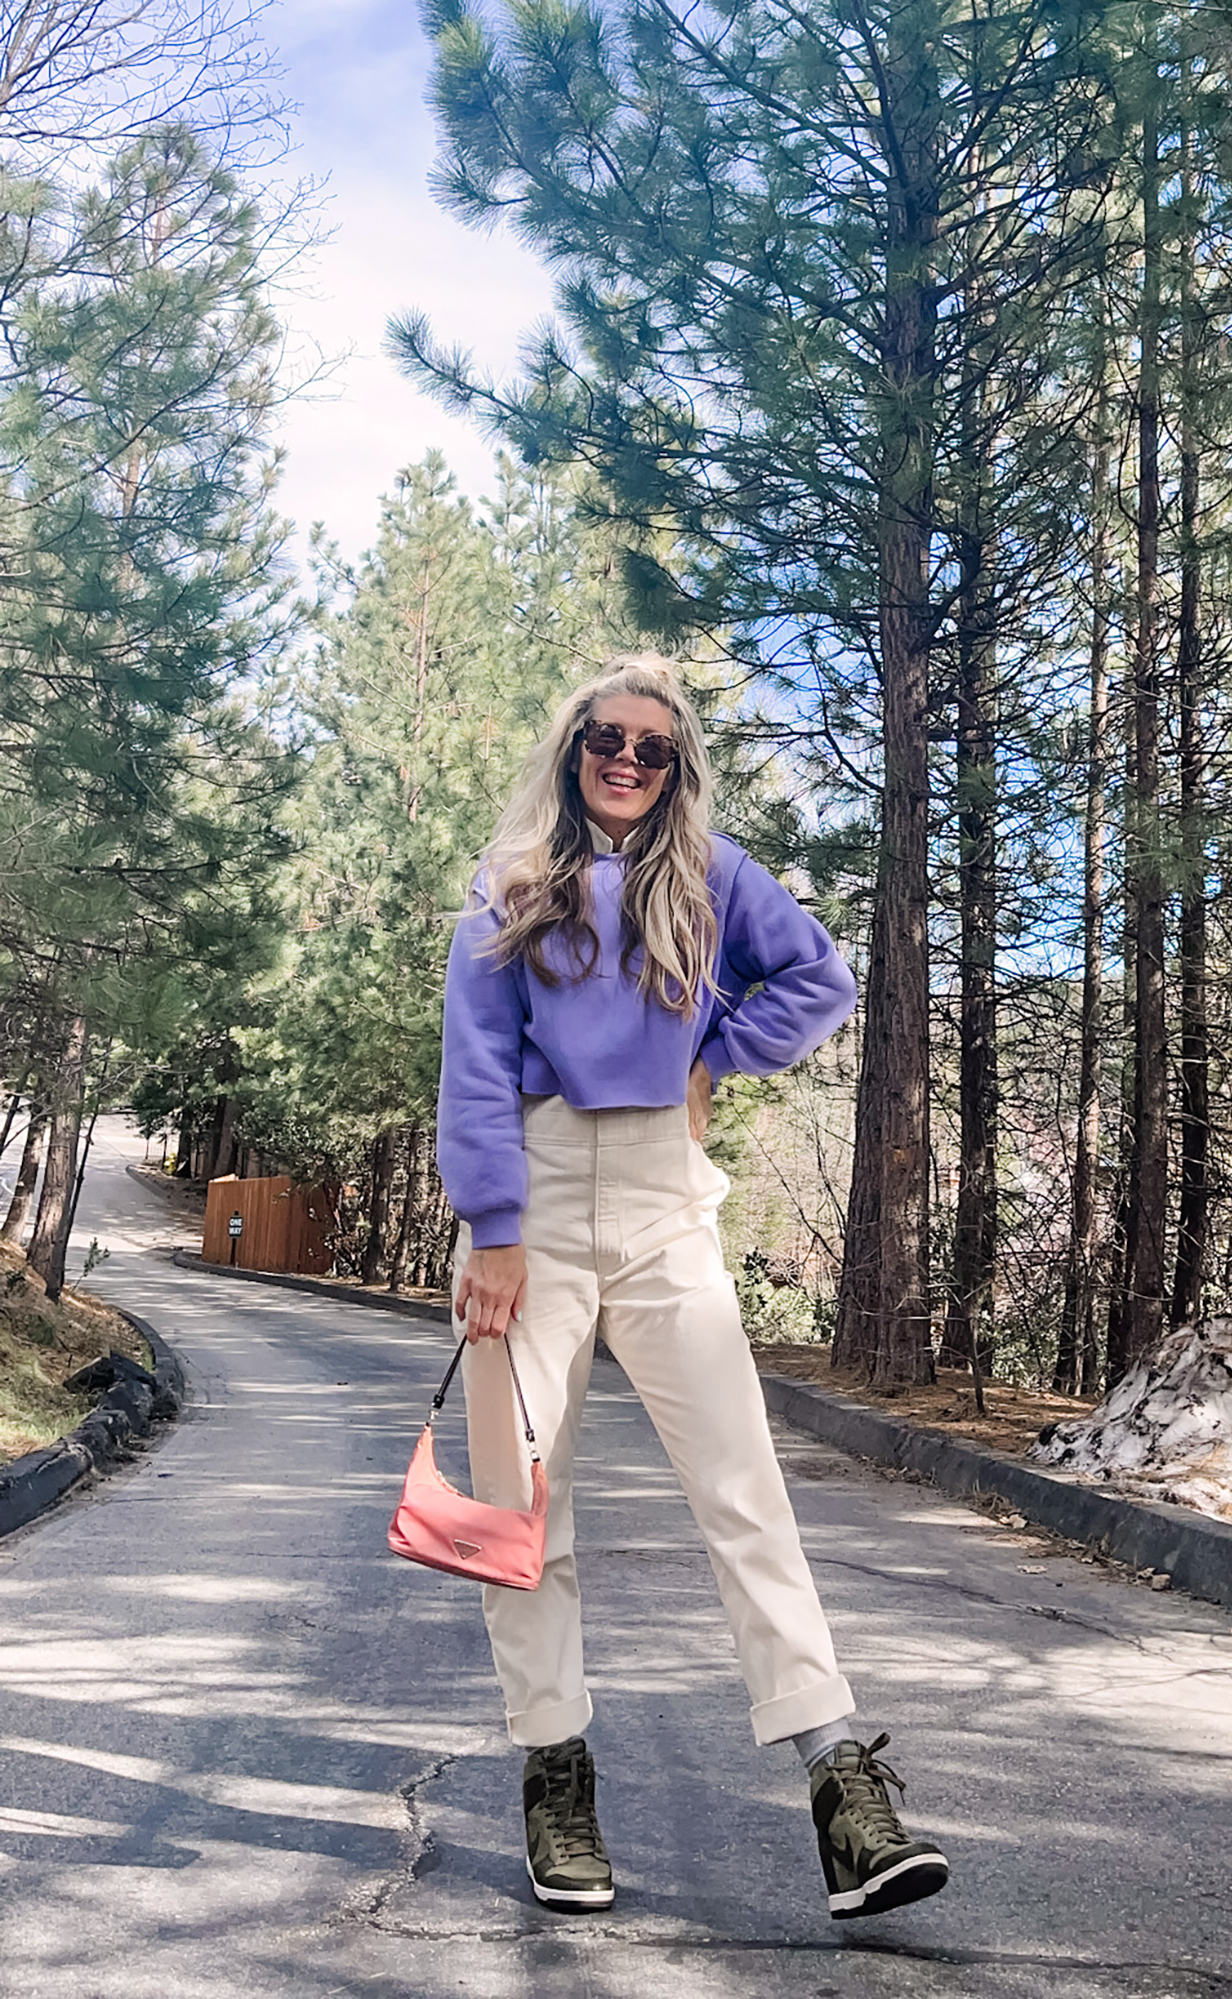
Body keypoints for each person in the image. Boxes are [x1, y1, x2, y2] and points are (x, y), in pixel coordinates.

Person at [436, 653, 949, 1922]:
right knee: (520, 1506)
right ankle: (556, 1772)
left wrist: (717, 1054)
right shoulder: (510, 888)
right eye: (606, 738)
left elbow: (821, 978)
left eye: (652, 748)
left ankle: (842, 1788)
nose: (626, 759)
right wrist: (492, 1228)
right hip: (534, 1206)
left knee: (744, 1488)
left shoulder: (715, 879)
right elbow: (474, 1066)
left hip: (669, 1204)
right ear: (573, 749)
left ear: (676, 770)